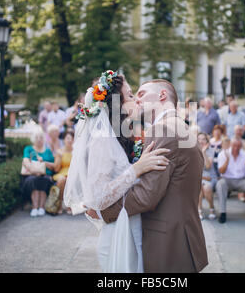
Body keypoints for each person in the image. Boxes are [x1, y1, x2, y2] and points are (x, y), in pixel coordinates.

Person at [76, 74, 208, 273]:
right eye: (131, 95)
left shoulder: (164, 129)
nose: (137, 99)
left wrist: (103, 211)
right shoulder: (178, 127)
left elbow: (146, 196)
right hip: (170, 235)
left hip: (168, 238)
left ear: (162, 95)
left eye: (141, 94)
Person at [64, 72, 173, 273]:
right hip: (118, 235)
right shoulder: (102, 140)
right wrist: (137, 169)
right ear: (117, 104)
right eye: (130, 95)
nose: (137, 100)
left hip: (128, 225)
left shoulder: (119, 137)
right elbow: (99, 198)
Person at [216, 138, 245, 225]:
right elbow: (221, 172)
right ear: (231, 145)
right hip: (227, 180)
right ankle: (222, 213)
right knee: (220, 184)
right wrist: (227, 160)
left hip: (241, 180)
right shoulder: (223, 154)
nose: (236, 148)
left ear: (241, 147)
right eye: (234, 145)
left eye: (238, 146)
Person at [22, 128, 56, 217]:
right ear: (33, 139)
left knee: (45, 179)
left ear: (43, 139)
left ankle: (41, 207)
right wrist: (35, 171)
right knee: (34, 180)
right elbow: (25, 162)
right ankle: (35, 207)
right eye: (36, 137)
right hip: (31, 174)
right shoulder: (28, 149)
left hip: (46, 174)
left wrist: (44, 162)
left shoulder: (48, 150)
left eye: (40, 137)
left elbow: (54, 166)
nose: (39, 139)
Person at [52, 130, 75, 214]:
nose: (70, 140)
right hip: (62, 173)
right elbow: (56, 169)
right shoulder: (60, 151)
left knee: (72, 178)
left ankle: (69, 205)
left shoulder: (76, 151)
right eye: (68, 138)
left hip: (73, 174)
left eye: (72, 138)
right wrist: (60, 157)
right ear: (64, 140)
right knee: (62, 180)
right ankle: (60, 204)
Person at [198, 132, 218, 220]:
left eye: (203, 139)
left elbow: (208, 166)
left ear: (207, 141)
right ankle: (199, 210)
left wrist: (203, 152)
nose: (201, 141)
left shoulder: (210, 150)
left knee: (206, 188)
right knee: (198, 187)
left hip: (209, 177)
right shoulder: (194, 150)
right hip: (199, 178)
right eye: (199, 139)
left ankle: (211, 208)